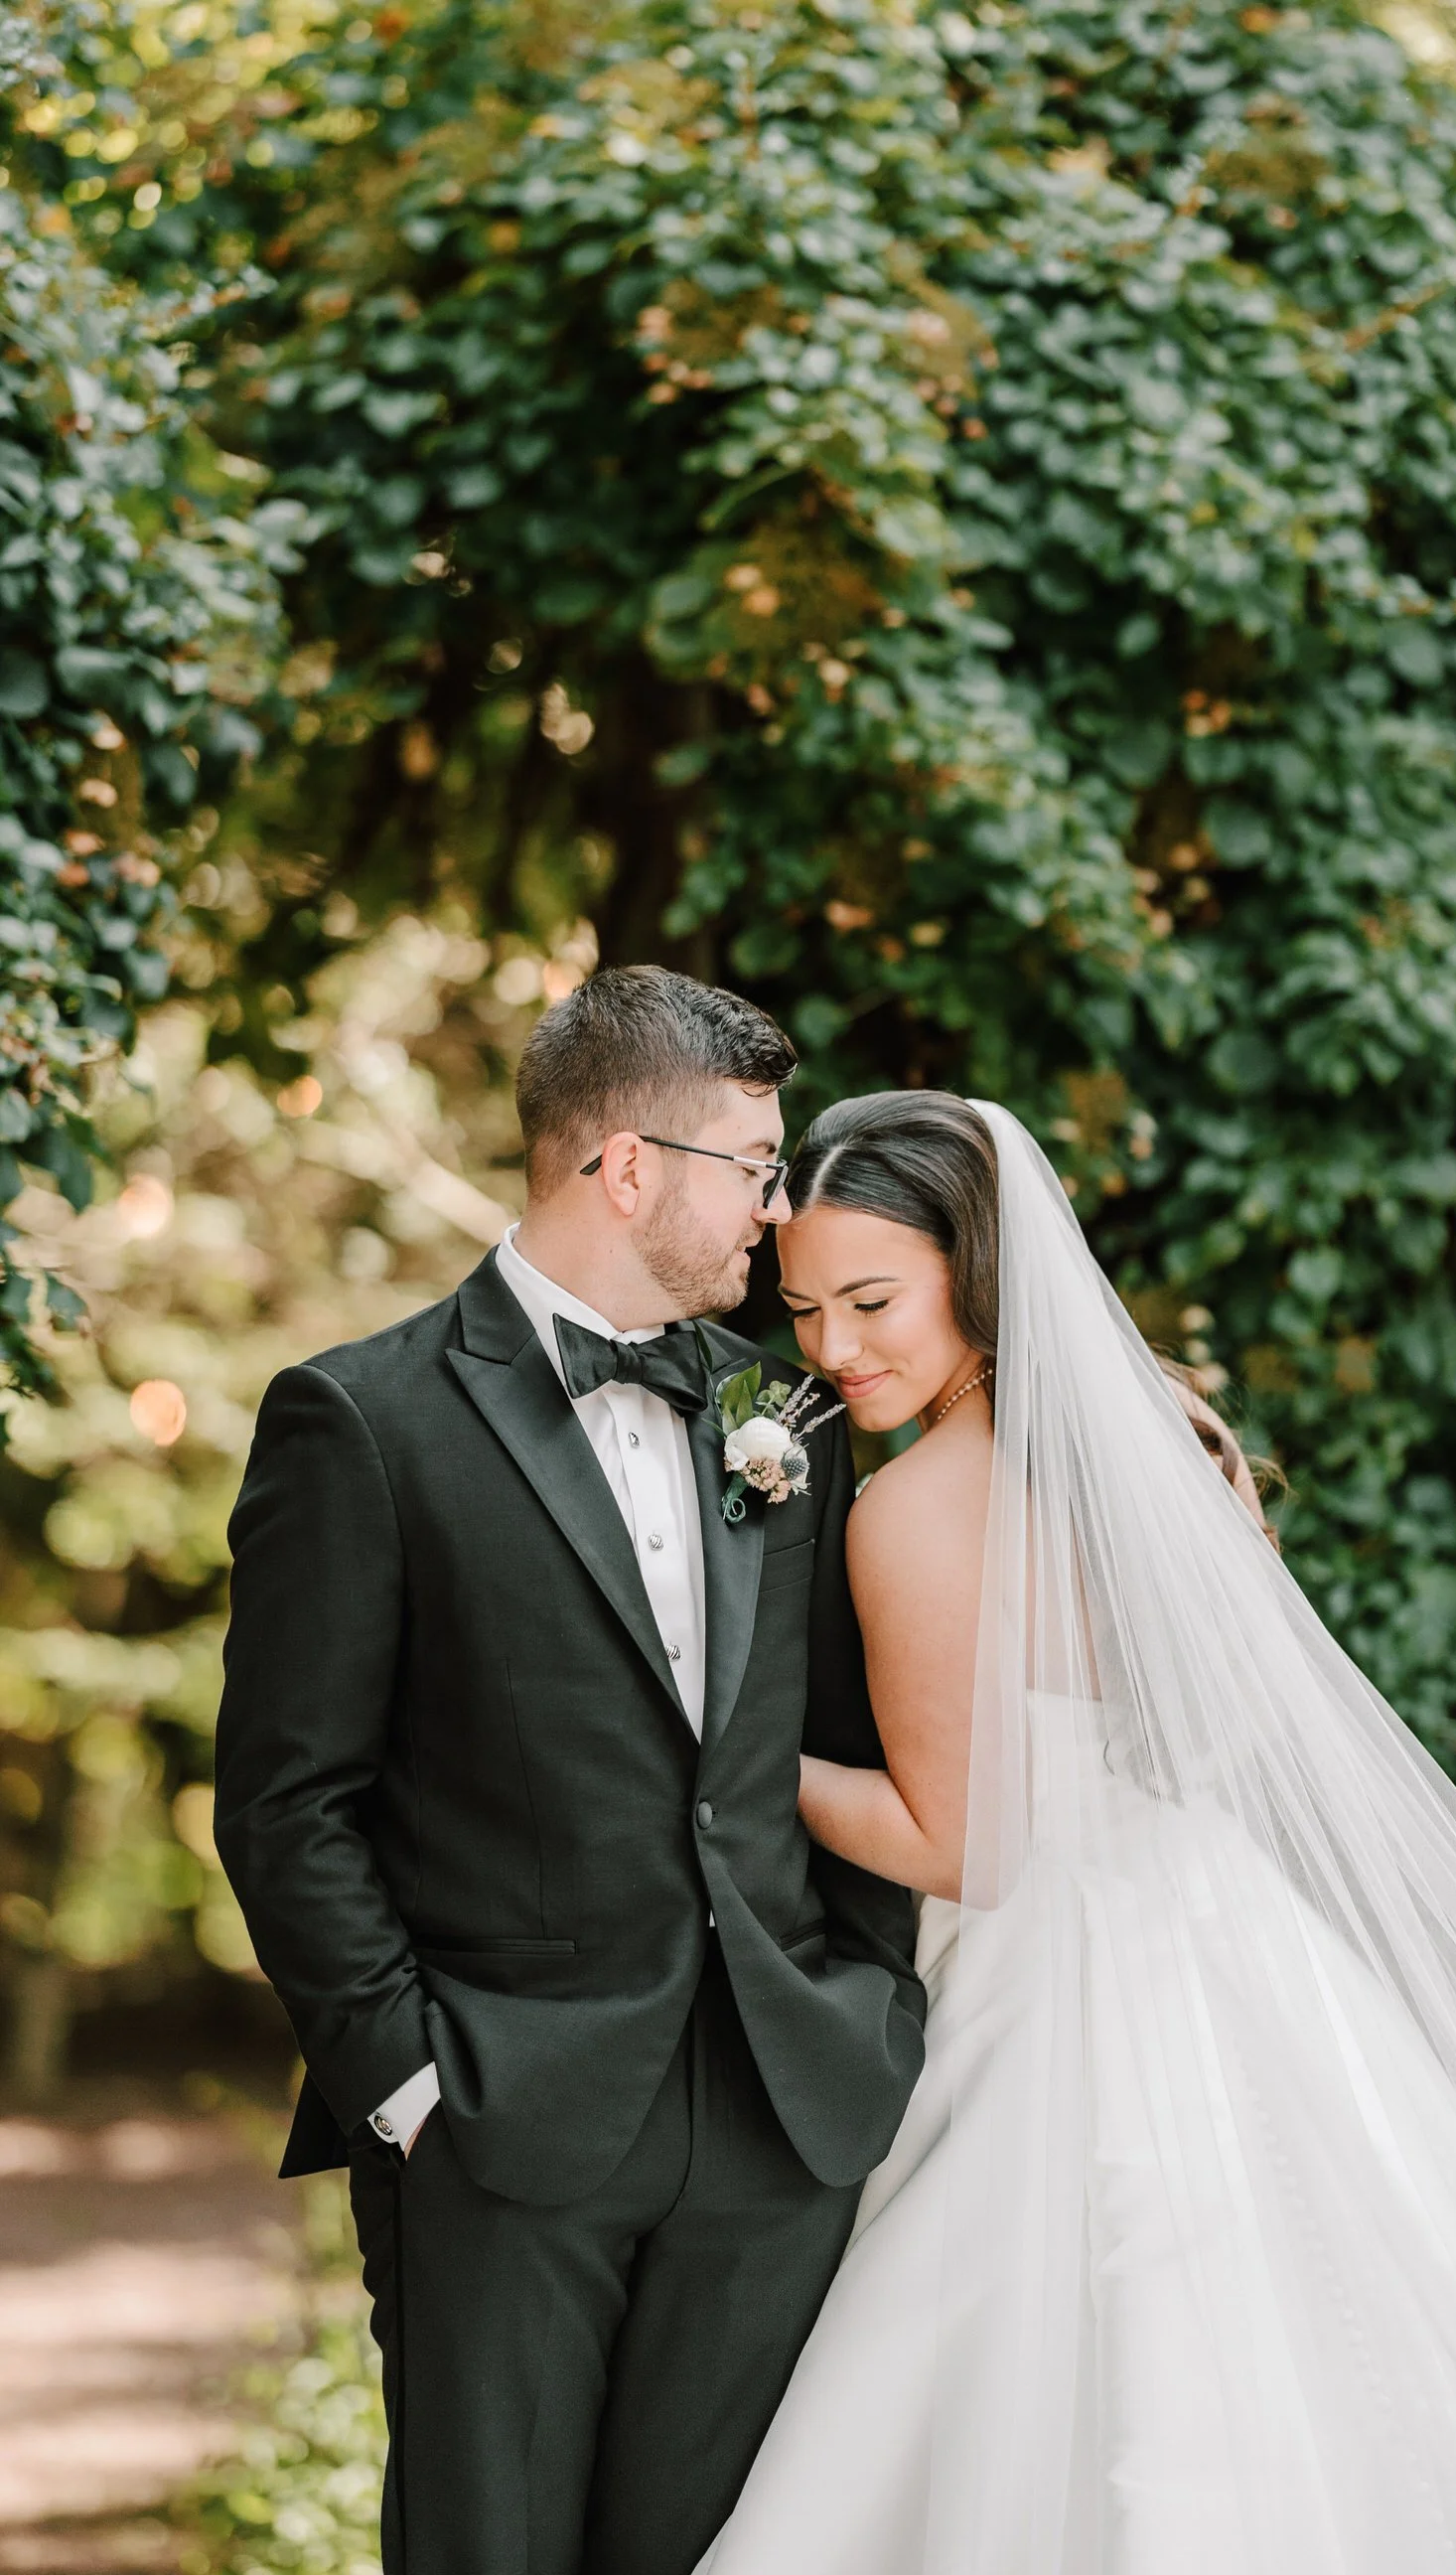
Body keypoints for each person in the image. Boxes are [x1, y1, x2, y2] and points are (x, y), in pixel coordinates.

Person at [699, 1089, 1456, 2575]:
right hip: (1223, 1931)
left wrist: (735, 1758)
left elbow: (959, 1847)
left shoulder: (909, 1507)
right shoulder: (1167, 1441)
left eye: (871, 1301)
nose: (834, 1351)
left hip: (1053, 1977)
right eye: (804, 1311)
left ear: (977, 1271)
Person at [213, 970, 925, 2575]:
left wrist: (866, 1996)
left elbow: (851, 1737)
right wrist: (410, 2087)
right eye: (753, 1164)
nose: (777, 1206)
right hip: (499, 2127)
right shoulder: (362, 1420)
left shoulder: (776, 1414)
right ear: (627, 1167)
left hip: (774, 2125)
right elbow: (285, 1803)